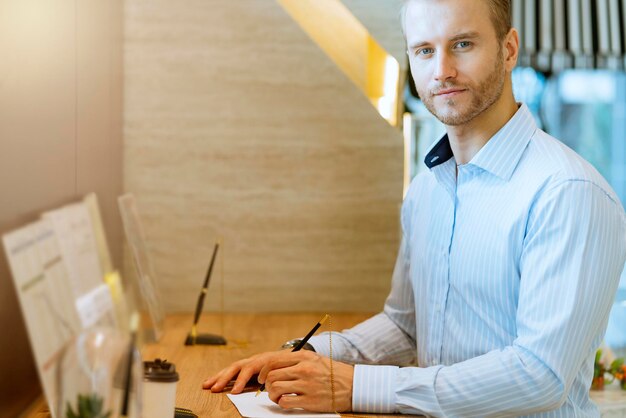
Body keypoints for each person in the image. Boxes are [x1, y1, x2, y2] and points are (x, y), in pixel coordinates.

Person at [203, 0, 626, 415]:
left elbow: (539, 376)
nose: (441, 70)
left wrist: (356, 388)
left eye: (462, 44)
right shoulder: (426, 190)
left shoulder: (569, 191)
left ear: (509, 48)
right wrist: (305, 355)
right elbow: (406, 327)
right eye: (424, 50)